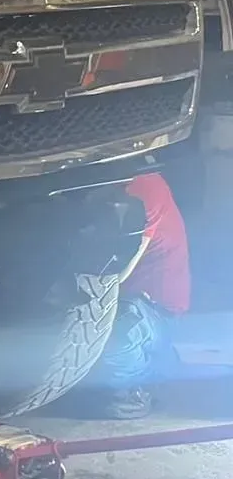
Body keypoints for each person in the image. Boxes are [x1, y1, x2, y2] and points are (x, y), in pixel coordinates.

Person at [78, 171, 191, 419]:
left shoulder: (143, 190)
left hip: (152, 309)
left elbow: (116, 275)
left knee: (118, 332)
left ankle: (140, 383)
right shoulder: (97, 182)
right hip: (123, 298)